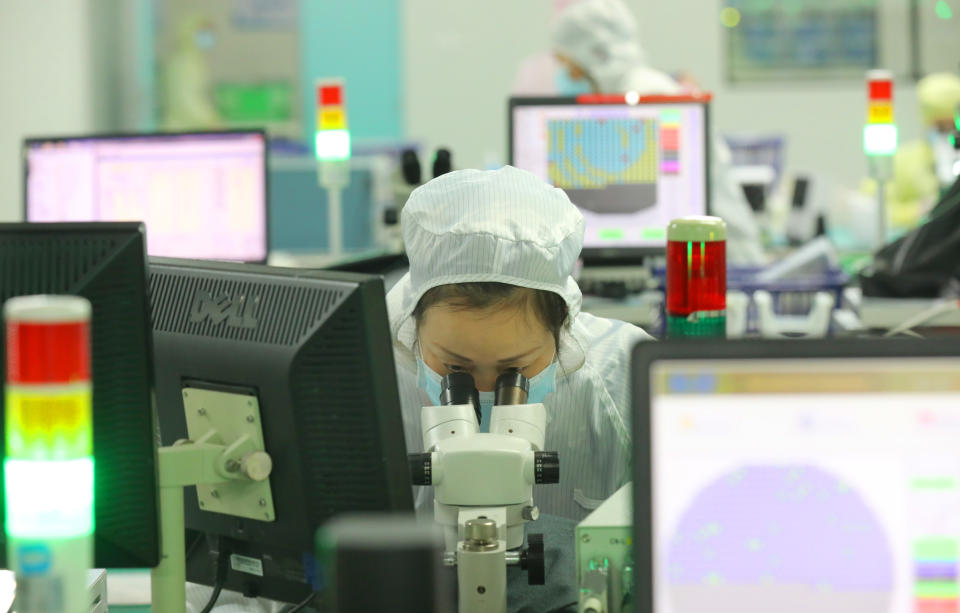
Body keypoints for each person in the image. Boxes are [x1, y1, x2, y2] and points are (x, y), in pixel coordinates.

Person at [387, 165, 651, 521]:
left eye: (513, 370)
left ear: (561, 331)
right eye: (455, 369)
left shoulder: (625, 377)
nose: (483, 392)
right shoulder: (372, 384)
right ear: (413, 324)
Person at [549, 0, 766, 264]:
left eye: (569, 66)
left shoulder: (647, 97)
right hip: (691, 256)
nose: (565, 76)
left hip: (719, 263)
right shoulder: (628, 93)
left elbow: (660, 201)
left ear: (594, 55)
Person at [887, 72, 960, 230]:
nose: (947, 134)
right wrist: (917, 211)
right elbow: (878, 209)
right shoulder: (905, 161)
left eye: (953, 127)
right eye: (940, 127)